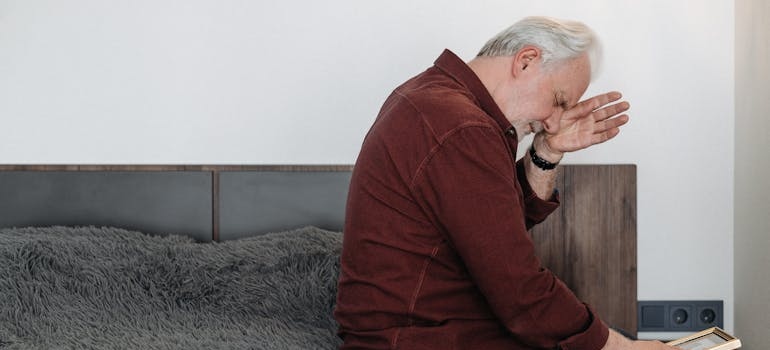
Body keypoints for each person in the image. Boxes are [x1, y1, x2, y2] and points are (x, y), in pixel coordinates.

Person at [334, 16, 676, 350]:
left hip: (418, 328)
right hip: (419, 336)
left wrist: (546, 151)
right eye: (559, 101)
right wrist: (616, 346)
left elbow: (496, 228)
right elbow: (519, 290)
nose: (554, 123)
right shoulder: (462, 128)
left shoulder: (434, 97)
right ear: (526, 61)